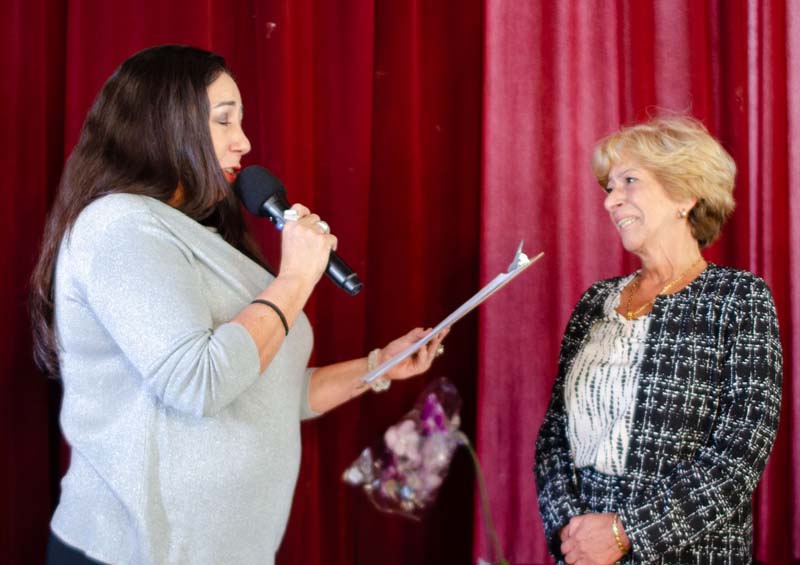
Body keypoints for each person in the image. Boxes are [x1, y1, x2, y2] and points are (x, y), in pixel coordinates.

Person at [30, 45, 448, 565]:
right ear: (164, 125)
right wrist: (295, 278)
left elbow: (269, 391)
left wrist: (378, 365)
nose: (244, 142)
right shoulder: (119, 226)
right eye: (224, 120)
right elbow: (198, 382)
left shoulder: (201, 234)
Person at [534, 116, 782, 564]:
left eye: (629, 181)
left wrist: (626, 532)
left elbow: (742, 447)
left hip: (689, 552)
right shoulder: (595, 301)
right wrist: (570, 532)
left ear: (685, 195)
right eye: (610, 187)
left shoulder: (738, 297)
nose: (611, 200)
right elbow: (554, 434)